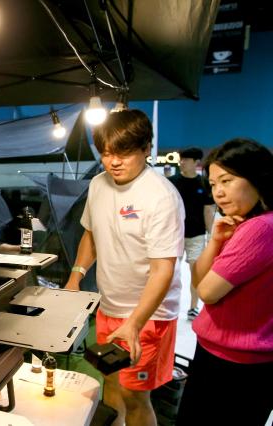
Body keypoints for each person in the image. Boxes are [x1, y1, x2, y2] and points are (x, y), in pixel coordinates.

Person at [65, 109, 185, 426]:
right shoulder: (98, 185)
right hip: (109, 307)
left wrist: (134, 323)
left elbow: (164, 270)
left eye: (123, 153)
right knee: (111, 382)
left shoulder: (161, 197)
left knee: (136, 397)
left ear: (146, 148)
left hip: (149, 316)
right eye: (105, 153)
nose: (113, 162)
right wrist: (75, 277)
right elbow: (91, 234)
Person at [176, 138, 273, 426]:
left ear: (257, 177)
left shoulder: (259, 229)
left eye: (227, 181)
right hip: (235, 357)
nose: (218, 192)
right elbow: (198, 279)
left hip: (235, 364)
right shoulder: (251, 223)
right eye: (214, 184)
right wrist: (216, 239)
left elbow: (206, 291)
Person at [168, 147, 216, 320]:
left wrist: (211, 235)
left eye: (186, 160)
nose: (181, 162)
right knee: (170, 272)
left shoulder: (204, 183)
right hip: (175, 235)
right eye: (181, 159)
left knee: (196, 271)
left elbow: (209, 210)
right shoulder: (172, 182)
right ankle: (167, 305)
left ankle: (193, 307)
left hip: (196, 236)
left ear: (196, 163)